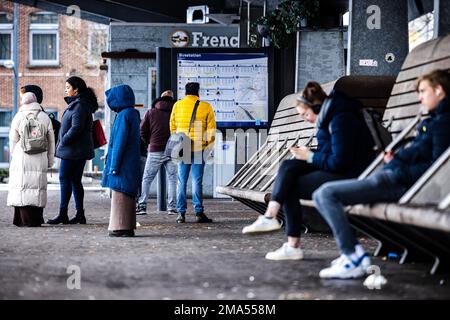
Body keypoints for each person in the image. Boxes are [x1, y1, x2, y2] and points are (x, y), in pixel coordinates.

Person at [313, 69, 450, 279]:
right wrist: (396, 158)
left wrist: (398, 169)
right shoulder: (433, 120)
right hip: (391, 177)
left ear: (439, 90)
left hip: (396, 182)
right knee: (322, 194)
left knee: (325, 195)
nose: (420, 97)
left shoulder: (442, 123)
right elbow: (421, 156)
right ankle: (353, 253)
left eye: (423, 91)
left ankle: (352, 256)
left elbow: (438, 168)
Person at [242, 81, 376, 262]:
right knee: (289, 166)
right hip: (340, 166)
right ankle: (270, 216)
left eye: (305, 114)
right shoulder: (329, 116)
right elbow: (330, 152)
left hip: (352, 173)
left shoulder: (340, 119)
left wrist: (311, 157)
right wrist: (308, 154)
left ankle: (290, 242)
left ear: (317, 106)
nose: (305, 118)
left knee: (292, 185)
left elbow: (340, 162)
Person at [47, 76, 98, 225]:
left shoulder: (79, 105)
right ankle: (80, 215)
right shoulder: (78, 104)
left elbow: (76, 127)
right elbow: (71, 125)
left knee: (64, 179)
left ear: (76, 89)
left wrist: (63, 140)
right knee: (75, 180)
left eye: (68, 87)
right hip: (76, 149)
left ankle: (63, 214)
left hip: (73, 150)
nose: (65, 89)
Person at [170, 82, 216, 223]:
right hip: (198, 148)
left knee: (181, 181)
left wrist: (178, 141)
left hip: (183, 147)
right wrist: (207, 146)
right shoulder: (206, 106)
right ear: (198, 92)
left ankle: (181, 214)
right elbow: (211, 130)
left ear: (185, 92)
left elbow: (172, 126)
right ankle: (198, 212)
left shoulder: (177, 105)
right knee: (197, 181)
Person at [7, 92, 55, 227]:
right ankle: (36, 219)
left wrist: (14, 154)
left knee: (22, 186)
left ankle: (21, 219)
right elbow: (51, 141)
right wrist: (50, 160)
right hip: (40, 156)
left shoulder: (19, 116)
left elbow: (12, 139)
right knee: (38, 186)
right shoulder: (45, 117)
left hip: (21, 156)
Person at [101, 84, 141, 237]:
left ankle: (120, 227)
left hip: (122, 164)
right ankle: (128, 226)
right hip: (130, 162)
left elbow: (119, 143)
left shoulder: (123, 115)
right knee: (128, 195)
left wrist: (113, 166)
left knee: (120, 196)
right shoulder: (133, 113)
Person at [136, 90, 178, 215]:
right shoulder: (176, 112)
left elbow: (142, 130)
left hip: (155, 149)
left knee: (147, 179)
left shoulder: (151, 112)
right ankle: (172, 208)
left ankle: (142, 206)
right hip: (173, 149)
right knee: (173, 179)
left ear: (159, 99)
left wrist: (149, 142)